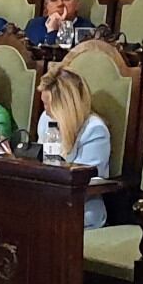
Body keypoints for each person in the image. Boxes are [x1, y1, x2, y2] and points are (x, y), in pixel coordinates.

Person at [36, 67, 111, 228]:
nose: (45, 111)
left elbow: (86, 181)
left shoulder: (95, 130)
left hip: (80, 210)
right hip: (47, 202)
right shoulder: (46, 119)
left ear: (65, 105)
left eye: (48, 105)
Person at [25, 0, 96, 47]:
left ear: (77, 5)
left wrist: (54, 31)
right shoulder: (34, 25)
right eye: (53, 0)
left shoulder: (87, 30)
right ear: (46, 6)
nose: (60, 4)